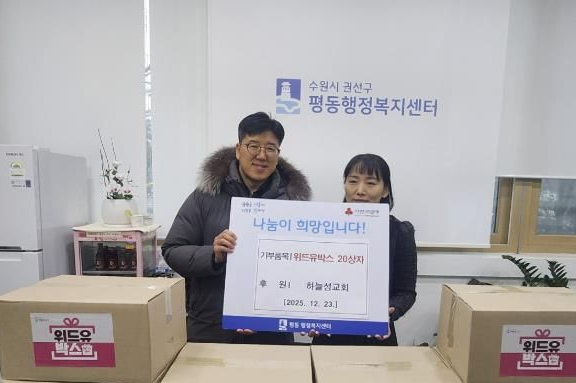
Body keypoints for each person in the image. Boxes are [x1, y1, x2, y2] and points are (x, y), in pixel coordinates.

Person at [161, 112, 311, 343]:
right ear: (238, 149)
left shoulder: (293, 204)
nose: (262, 155)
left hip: (272, 331)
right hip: (212, 326)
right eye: (254, 146)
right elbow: (172, 249)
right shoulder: (206, 195)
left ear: (278, 154)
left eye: (270, 148)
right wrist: (212, 255)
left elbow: (306, 265)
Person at [313, 154, 417, 346]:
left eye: (370, 183)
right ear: (344, 184)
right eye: (353, 181)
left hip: (376, 338)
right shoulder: (322, 228)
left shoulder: (400, 232)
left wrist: (391, 310)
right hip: (328, 336)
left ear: (385, 190)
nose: (360, 191)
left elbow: (406, 292)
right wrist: (306, 313)